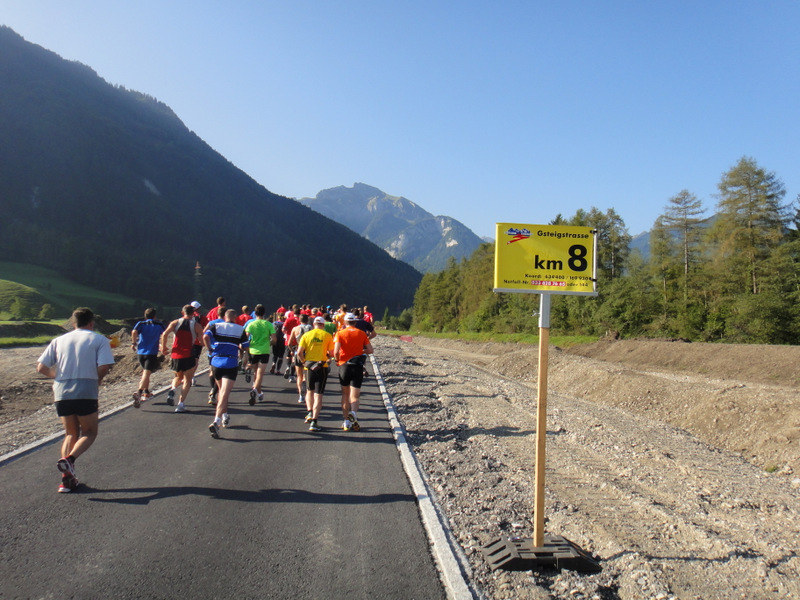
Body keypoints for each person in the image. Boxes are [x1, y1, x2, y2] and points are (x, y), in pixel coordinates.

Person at [36, 307, 115, 493]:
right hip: (85, 389)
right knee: (89, 432)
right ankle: (69, 461)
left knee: (71, 433)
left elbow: (41, 367)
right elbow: (104, 367)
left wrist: (57, 375)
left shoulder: (58, 340)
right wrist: (96, 381)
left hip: (62, 390)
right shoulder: (99, 339)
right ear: (91, 323)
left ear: (73, 324)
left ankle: (67, 480)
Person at [204, 309, 250, 438]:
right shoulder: (239, 329)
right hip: (230, 362)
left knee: (221, 391)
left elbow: (205, 336)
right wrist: (244, 355)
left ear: (224, 317)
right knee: (224, 393)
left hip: (216, 362)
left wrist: (209, 349)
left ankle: (224, 415)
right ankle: (216, 420)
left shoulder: (216, 326)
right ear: (235, 317)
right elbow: (245, 347)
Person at [160, 304, 203, 413]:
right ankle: (180, 404)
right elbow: (202, 341)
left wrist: (164, 347)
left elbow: (164, 334)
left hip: (175, 354)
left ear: (182, 312)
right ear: (193, 313)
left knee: (178, 377)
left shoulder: (175, 323)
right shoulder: (196, 325)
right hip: (188, 354)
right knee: (187, 380)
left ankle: (173, 389)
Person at [334, 312, 374, 431]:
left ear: (345, 322)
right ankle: (354, 414)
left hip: (344, 365)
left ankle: (346, 421)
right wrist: (360, 351)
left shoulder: (340, 333)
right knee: (355, 395)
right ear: (355, 322)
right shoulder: (361, 333)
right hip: (357, 366)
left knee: (345, 395)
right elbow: (370, 350)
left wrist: (337, 360)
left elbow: (336, 351)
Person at [297, 316, 335, 431]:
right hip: (321, 366)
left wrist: (304, 362)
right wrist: (327, 356)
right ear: (323, 325)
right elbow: (332, 353)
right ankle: (314, 421)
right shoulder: (327, 336)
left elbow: (299, 352)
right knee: (319, 394)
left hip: (309, 367)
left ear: (314, 324)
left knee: (309, 391)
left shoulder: (306, 335)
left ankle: (309, 412)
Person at [130, 308, 165, 407]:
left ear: (145, 316)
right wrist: (163, 345)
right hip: (152, 352)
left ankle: (146, 392)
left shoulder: (141, 323)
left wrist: (133, 343)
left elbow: (133, 332)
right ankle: (139, 392)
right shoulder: (159, 324)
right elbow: (164, 334)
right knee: (146, 373)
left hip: (140, 352)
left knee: (146, 372)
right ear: (155, 316)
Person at [244, 304, 276, 404]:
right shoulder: (268, 324)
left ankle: (259, 392)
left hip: (253, 351)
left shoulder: (251, 324)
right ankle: (254, 389)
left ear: (255, 313)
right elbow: (274, 339)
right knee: (260, 374)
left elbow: (246, 337)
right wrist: (269, 343)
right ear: (264, 313)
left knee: (255, 372)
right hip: (264, 351)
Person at [288, 313, 312, 403]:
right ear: (308, 320)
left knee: (299, 375)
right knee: (308, 373)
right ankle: (306, 390)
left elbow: (290, 343)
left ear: (299, 320)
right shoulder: (311, 328)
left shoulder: (295, 329)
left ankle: (300, 395)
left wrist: (292, 351)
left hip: (299, 351)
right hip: (309, 352)